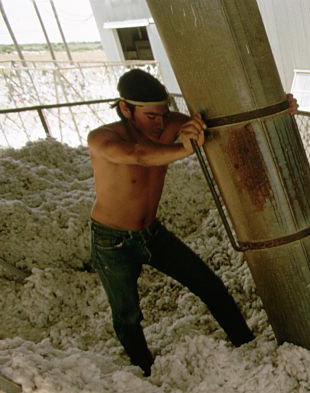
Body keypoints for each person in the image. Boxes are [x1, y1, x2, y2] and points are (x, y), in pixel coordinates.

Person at [87, 68, 253, 376]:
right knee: (127, 315)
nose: (160, 123)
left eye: (164, 115)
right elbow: (137, 155)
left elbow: (225, 120)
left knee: (210, 286)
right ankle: (145, 372)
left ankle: (247, 344)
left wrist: (282, 108)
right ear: (125, 108)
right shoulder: (103, 139)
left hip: (152, 234)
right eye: (151, 117)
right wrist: (182, 149)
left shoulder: (167, 126)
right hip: (112, 241)